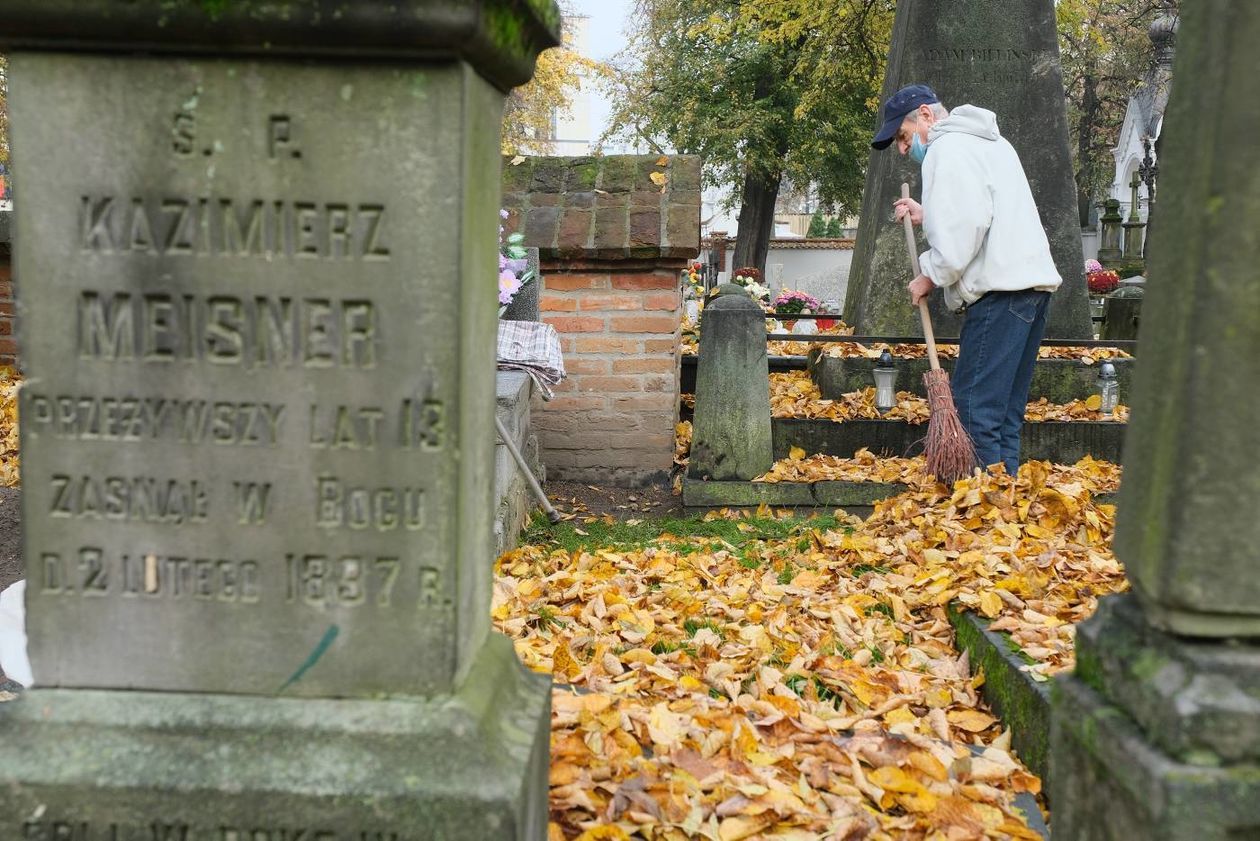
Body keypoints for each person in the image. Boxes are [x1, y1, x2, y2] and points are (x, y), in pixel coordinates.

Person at [870, 84, 1062, 476]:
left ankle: (983, 518)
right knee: (1005, 413)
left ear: (925, 114)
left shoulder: (947, 148)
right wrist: (931, 214)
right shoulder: (988, 143)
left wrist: (930, 275)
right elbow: (981, 210)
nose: (904, 150)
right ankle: (1005, 508)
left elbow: (963, 233)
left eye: (903, 138)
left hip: (999, 295)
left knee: (976, 413)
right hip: (1029, 289)